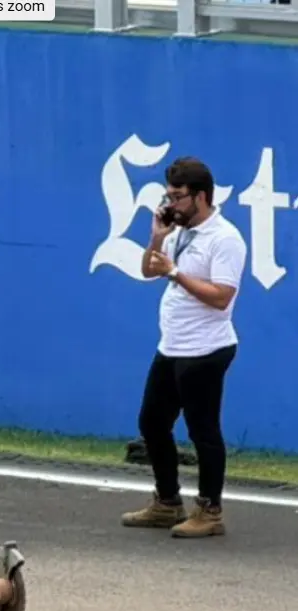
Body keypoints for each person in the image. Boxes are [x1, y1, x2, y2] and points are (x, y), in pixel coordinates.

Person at [121, 157, 247, 538]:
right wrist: (157, 237)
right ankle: (166, 502)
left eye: (177, 197)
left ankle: (210, 512)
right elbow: (147, 270)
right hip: (172, 346)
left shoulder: (225, 238)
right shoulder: (177, 232)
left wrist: (175, 273)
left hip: (207, 349)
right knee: (152, 422)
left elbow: (222, 297)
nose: (169, 203)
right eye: (168, 195)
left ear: (201, 196)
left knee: (203, 431)